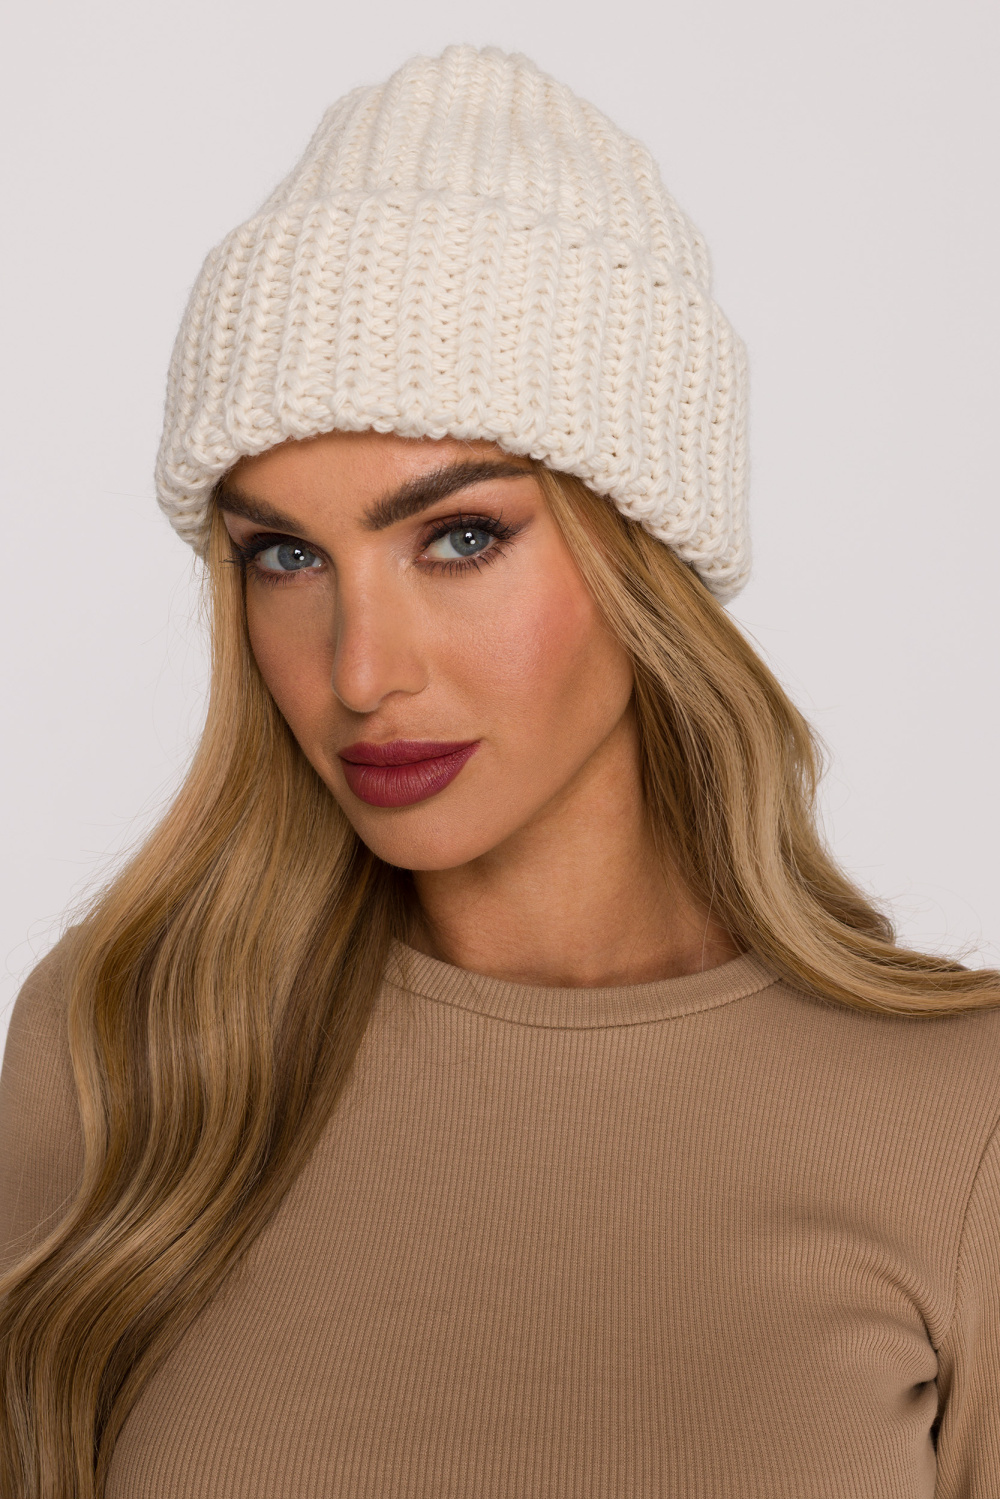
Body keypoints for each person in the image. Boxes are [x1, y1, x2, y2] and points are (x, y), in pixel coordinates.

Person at [0, 43, 998, 1500]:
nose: (360, 672)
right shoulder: (124, 1047)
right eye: (285, 555)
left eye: (459, 537)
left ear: (641, 554)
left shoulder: (962, 1113)